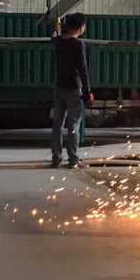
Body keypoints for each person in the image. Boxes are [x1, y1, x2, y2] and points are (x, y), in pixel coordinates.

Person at [51, 13, 93, 168]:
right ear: (81, 27)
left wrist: (56, 29)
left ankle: (56, 158)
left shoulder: (59, 42)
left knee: (57, 125)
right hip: (74, 89)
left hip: (59, 88)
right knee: (73, 125)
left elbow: (53, 36)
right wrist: (87, 92)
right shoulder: (78, 44)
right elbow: (83, 71)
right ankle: (73, 159)